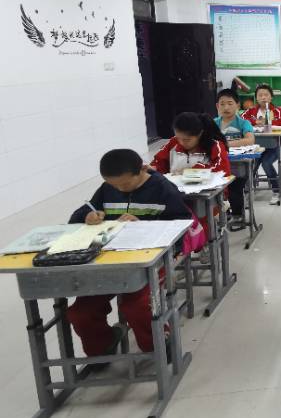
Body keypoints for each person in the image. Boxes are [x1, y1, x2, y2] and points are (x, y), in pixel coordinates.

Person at [66, 149, 195, 370]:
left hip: (149, 261)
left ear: (142, 170)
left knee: (137, 306)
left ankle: (157, 345)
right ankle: (102, 348)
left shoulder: (163, 189)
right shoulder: (108, 189)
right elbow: (78, 216)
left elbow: (181, 225)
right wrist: (87, 216)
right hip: (107, 262)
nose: (119, 189)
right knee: (81, 312)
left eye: (125, 184)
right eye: (113, 185)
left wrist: (143, 226)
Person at [150, 112, 232, 232]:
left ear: (200, 134)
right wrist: (152, 169)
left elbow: (222, 170)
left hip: (206, 198)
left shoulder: (215, 146)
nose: (181, 142)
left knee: (199, 227)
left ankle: (200, 239)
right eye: (178, 138)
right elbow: (158, 162)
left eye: (187, 140)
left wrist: (192, 171)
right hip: (176, 195)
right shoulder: (173, 143)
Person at [242, 84, 281, 204]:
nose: (263, 97)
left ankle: (276, 190)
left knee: (266, 163)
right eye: (260, 95)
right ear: (256, 98)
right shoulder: (250, 111)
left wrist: (268, 122)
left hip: (274, 146)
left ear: (271, 97)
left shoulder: (277, 111)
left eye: (266, 95)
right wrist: (255, 122)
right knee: (251, 164)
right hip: (256, 147)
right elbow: (242, 120)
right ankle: (247, 191)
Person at [214, 89, 254, 215]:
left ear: (237, 105)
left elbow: (250, 140)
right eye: (222, 104)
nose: (226, 107)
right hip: (219, 165)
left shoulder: (243, 123)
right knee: (216, 190)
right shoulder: (214, 123)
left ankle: (237, 215)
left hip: (239, 166)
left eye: (230, 103)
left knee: (234, 189)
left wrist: (224, 145)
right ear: (217, 106)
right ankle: (222, 214)